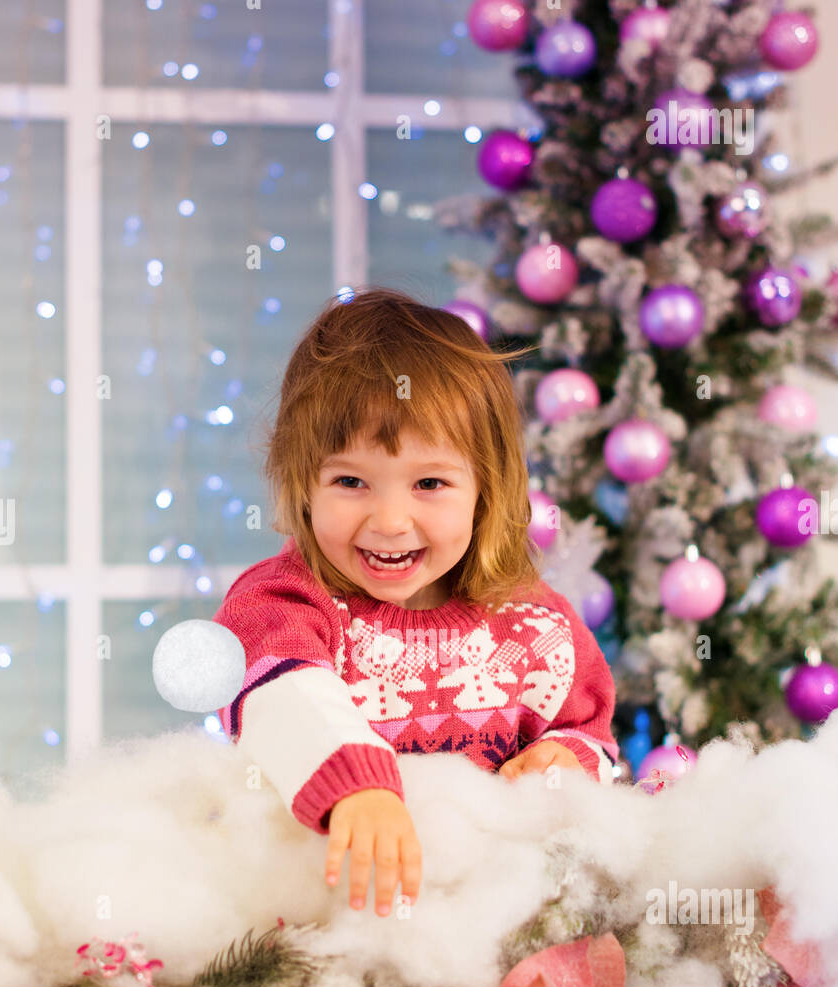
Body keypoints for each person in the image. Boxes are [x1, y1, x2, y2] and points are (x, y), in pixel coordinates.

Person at [213, 287, 619, 920]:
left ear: (487, 489)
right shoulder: (284, 602)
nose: (391, 520)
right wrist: (358, 787)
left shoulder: (536, 627)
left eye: (430, 483)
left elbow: (588, 736)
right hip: (322, 919)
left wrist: (567, 762)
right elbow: (281, 696)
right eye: (350, 482)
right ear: (303, 485)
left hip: (481, 928)